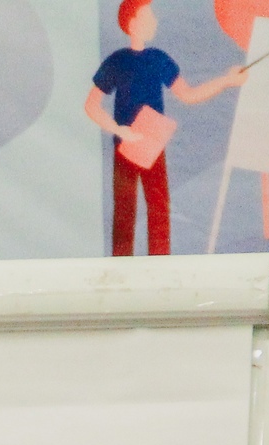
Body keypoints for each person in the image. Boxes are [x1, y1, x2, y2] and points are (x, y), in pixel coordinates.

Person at [85, 0, 247, 257]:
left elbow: (189, 95)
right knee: (124, 214)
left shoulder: (158, 59)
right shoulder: (117, 62)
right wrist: (120, 130)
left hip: (153, 147)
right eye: (148, 16)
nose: (155, 21)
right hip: (125, 150)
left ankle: (160, 267)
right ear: (133, 24)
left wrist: (226, 81)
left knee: (159, 211)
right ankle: (119, 270)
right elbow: (91, 106)